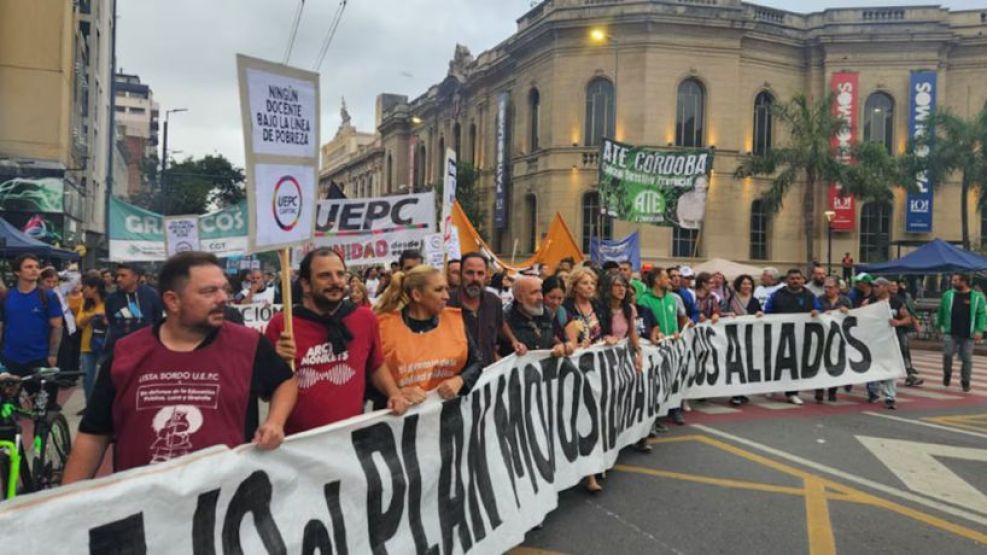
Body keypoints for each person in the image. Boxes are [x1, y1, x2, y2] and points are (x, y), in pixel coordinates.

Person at [64, 252, 298, 482]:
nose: (222, 298)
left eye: (224, 289)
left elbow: (285, 381)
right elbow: (94, 434)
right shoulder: (126, 353)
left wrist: (275, 421)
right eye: (209, 291)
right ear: (172, 301)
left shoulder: (249, 344)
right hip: (142, 505)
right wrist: (67, 502)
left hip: (224, 504)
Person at [268, 248, 407, 434]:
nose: (336, 281)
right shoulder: (283, 324)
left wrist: (394, 393)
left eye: (340, 274)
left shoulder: (365, 318)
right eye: (325, 276)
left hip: (350, 440)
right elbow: (265, 392)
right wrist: (277, 363)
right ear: (306, 284)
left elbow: (376, 365)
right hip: (298, 446)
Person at [374, 264, 483, 404]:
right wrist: (394, 392)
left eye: (446, 289)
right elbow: (368, 376)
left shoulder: (454, 320)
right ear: (417, 295)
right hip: (401, 420)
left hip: (449, 416)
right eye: (439, 290)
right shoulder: (383, 327)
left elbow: (477, 362)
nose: (446, 296)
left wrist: (460, 380)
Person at [0, 254, 63, 402]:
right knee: (7, 408)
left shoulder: (48, 296)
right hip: (11, 359)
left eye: (36, 267)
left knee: (44, 409)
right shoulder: (7, 296)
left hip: (39, 360)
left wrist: (53, 355)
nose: (34, 270)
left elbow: (57, 327)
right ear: (17, 272)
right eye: (29, 267)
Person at [448, 252, 525, 366]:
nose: (475, 278)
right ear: (460, 274)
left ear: (486, 276)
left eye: (480, 273)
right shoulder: (446, 303)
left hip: (488, 374)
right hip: (458, 376)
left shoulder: (493, 302)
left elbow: (501, 324)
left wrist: (514, 341)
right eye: (469, 273)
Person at [764, 268, 822, 405]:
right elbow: (768, 311)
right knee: (777, 362)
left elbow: (819, 309)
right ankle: (773, 385)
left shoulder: (809, 295)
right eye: (792, 278)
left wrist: (816, 311)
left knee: (794, 365)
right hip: (780, 335)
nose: (795, 281)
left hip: (801, 337)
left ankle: (792, 393)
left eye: (798, 278)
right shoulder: (777, 295)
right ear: (786, 281)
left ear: (803, 280)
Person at [939, 273, 987, 391]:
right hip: (951, 332)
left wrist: (979, 330)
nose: (952, 282)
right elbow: (941, 310)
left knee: (967, 359)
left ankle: (965, 381)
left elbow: (982, 314)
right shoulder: (948, 295)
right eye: (953, 280)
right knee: (947, 354)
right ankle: (947, 374)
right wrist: (940, 325)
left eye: (955, 280)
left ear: (964, 281)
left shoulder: (977, 296)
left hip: (968, 333)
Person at [505, 276, 572, 357]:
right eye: (534, 293)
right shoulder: (505, 320)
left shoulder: (547, 314)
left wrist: (562, 347)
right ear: (519, 298)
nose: (540, 297)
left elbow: (552, 341)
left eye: (540, 292)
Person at [105, 263, 164, 353]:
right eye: (118, 276)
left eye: (123, 276)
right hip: (120, 349)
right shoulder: (112, 299)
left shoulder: (151, 295)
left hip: (146, 348)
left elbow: (157, 318)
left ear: (135, 277)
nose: (119, 279)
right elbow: (111, 321)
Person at [814, 276, 851, 403]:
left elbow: (853, 316)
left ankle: (832, 391)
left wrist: (847, 311)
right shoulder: (819, 299)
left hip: (838, 337)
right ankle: (819, 390)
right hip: (822, 337)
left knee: (835, 364)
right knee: (820, 364)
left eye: (830, 287)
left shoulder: (845, 300)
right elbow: (814, 312)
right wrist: (816, 312)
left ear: (837, 288)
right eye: (825, 287)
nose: (827, 290)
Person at [74, 277, 108, 403]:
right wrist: (92, 316)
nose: (84, 290)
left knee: (105, 377)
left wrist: (105, 320)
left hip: (104, 345)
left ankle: (104, 404)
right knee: (87, 378)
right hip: (87, 345)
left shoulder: (109, 302)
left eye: (86, 287)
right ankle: (90, 405)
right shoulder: (85, 304)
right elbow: (79, 323)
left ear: (95, 288)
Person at [888, 280, 924, 387]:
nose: (894, 287)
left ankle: (909, 375)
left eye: (895, 285)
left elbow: (910, 312)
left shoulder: (902, 298)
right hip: (885, 333)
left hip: (900, 330)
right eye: (892, 285)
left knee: (904, 351)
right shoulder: (878, 299)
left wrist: (915, 322)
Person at [542, 275, 573, 344]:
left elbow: (572, 341)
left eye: (560, 298)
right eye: (552, 297)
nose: (556, 302)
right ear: (543, 295)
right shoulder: (535, 315)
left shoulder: (565, 315)